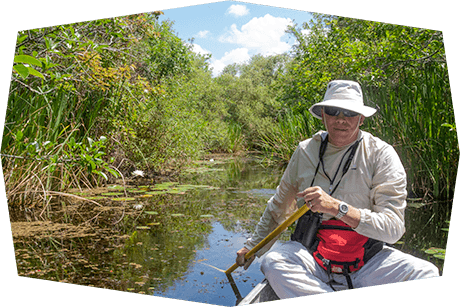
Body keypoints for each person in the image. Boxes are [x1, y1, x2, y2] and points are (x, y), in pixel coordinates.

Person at [235, 80, 439, 298]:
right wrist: (253, 247)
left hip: (366, 261)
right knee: (272, 262)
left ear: (361, 118)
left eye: (349, 112)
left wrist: (337, 208)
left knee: (426, 272)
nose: (341, 119)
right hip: (312, 256)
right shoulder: (305, 151)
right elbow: (279, 208)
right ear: (323, 115)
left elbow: (393, 229)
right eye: (333, 111)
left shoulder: (381, 154)